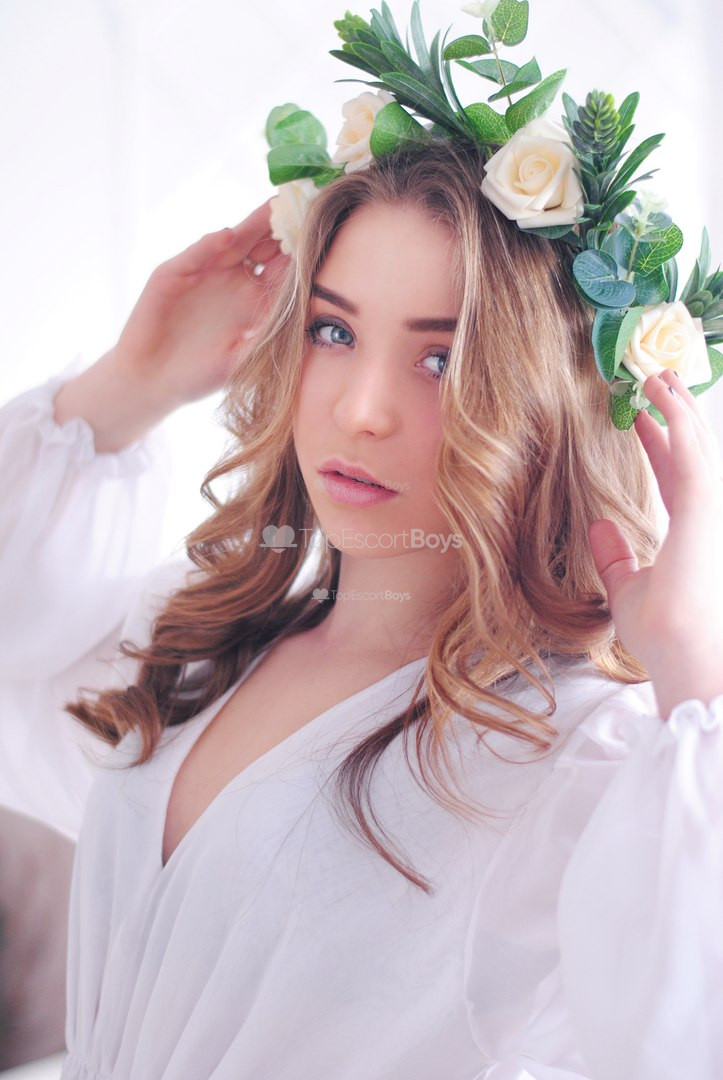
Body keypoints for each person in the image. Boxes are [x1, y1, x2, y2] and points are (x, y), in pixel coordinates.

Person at [1, 47, 722, 1080]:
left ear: (550, 400)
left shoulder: (570, 754)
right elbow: (17, 635)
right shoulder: (203, 637)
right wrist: (135, 382)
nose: (362, 410)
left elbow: (683, 1033)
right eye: (333, 330)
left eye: (441, 357)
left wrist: (696, 676)